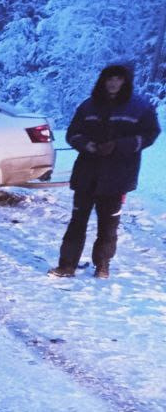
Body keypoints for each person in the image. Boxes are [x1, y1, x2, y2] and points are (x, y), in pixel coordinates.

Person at [48, 62, 160, 278]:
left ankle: (102, 265)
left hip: (118, 176)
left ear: (125, 82)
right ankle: (67, 265)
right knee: (77, 221)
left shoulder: (140, 108)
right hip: (87, 174)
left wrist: (119, 145)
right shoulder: (88, 106)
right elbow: (72, 133)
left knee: (108, 224)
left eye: (118, 79)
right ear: (103, 81)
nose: (113, 83)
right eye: (110, 78)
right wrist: (87, 145)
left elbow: (151, 134)